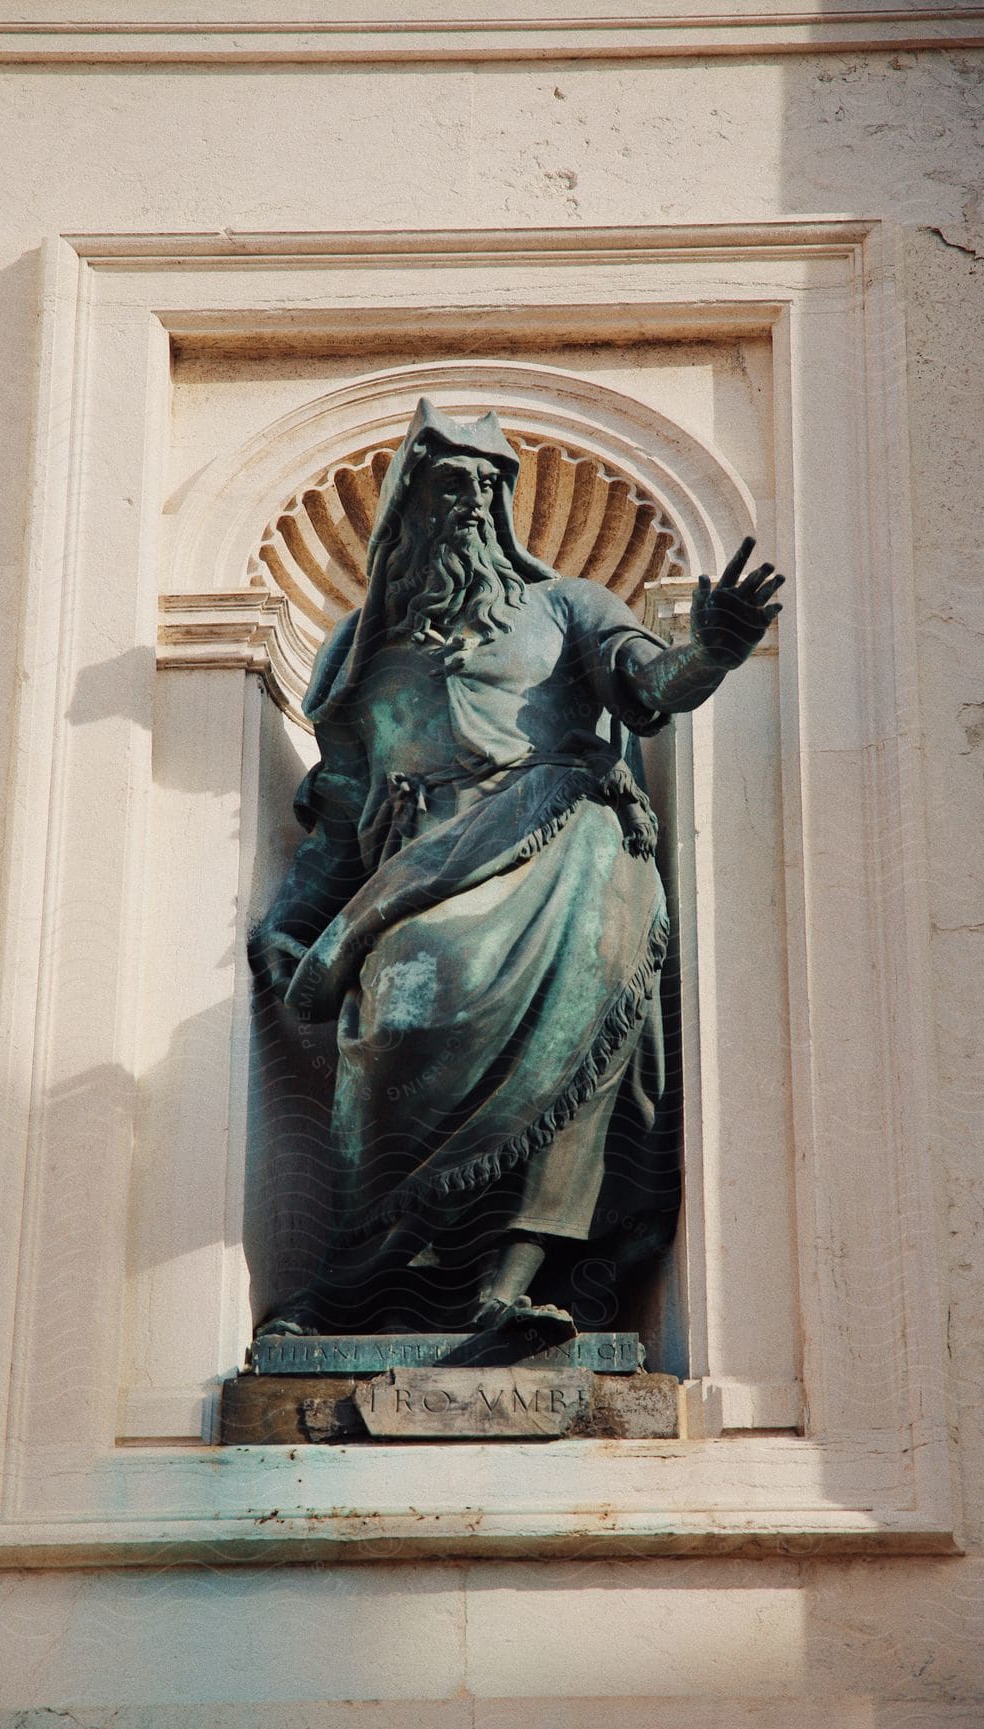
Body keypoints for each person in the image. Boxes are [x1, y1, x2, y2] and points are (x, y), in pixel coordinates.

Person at [250, 399, 783, 1341]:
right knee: (402, 1018)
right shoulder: (361, 649)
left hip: (566, 849)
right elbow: (336, 809)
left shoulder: (568, 605)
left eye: (488, 483)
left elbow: (650, 686)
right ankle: (362, 1282)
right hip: (418, 870)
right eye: (448, 480)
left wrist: (711, 648)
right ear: (406, 504)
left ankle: (513, 1282)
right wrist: (294, 920)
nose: (469, 500)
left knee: (572, 1036)